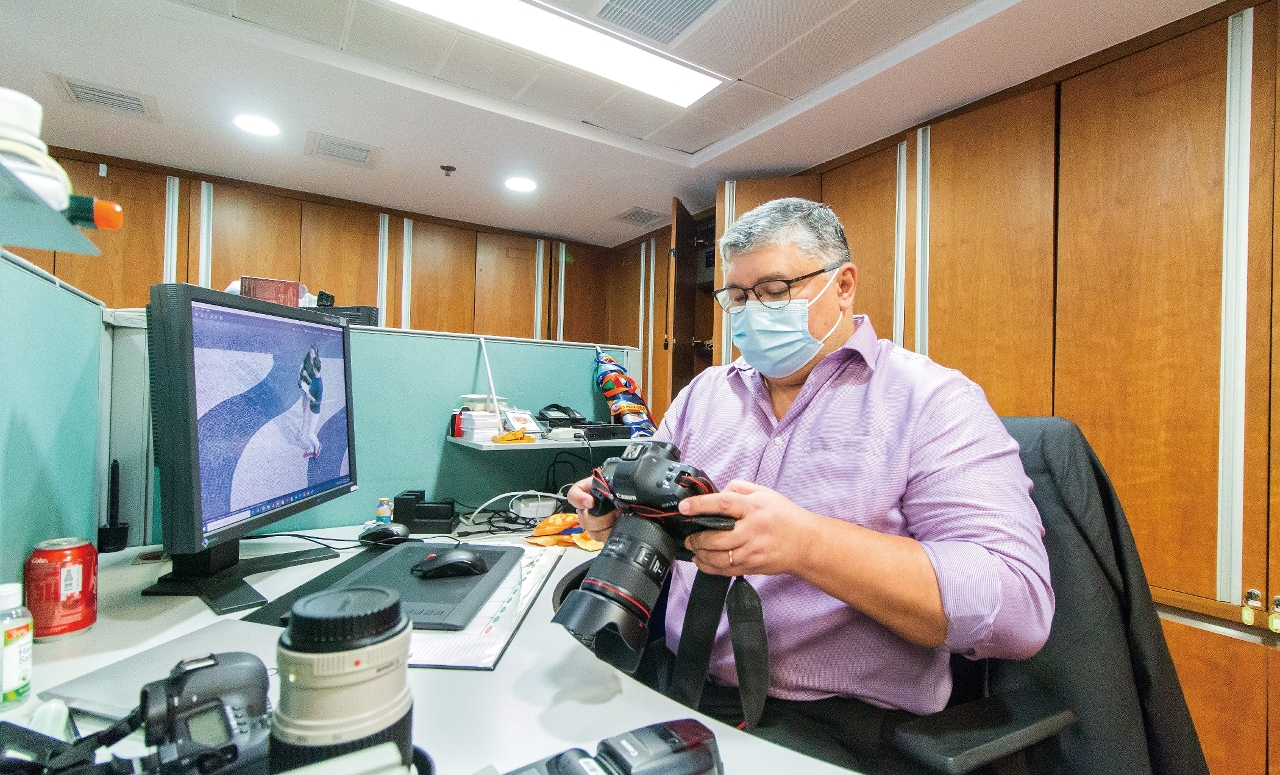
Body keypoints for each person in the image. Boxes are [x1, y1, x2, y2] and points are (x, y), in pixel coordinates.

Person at [567, 198, 1053, 771]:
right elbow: (652, 504)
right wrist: (615, 511)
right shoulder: (702, 395)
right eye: (737, 297)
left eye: (774, 291)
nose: (752, 312)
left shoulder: (932, 401)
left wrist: (807, 545)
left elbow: (1018, 606)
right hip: (676, 685)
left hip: (834, 723)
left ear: (843, 285)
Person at [298, 345, 323, 458]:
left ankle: (317, 446)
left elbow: (317, 401)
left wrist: (309, 396)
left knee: (310, 433)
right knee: (310, 431)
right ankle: (311, 449)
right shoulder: (316, 380)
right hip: (313, 408)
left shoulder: (318, 384)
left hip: (315, 410)